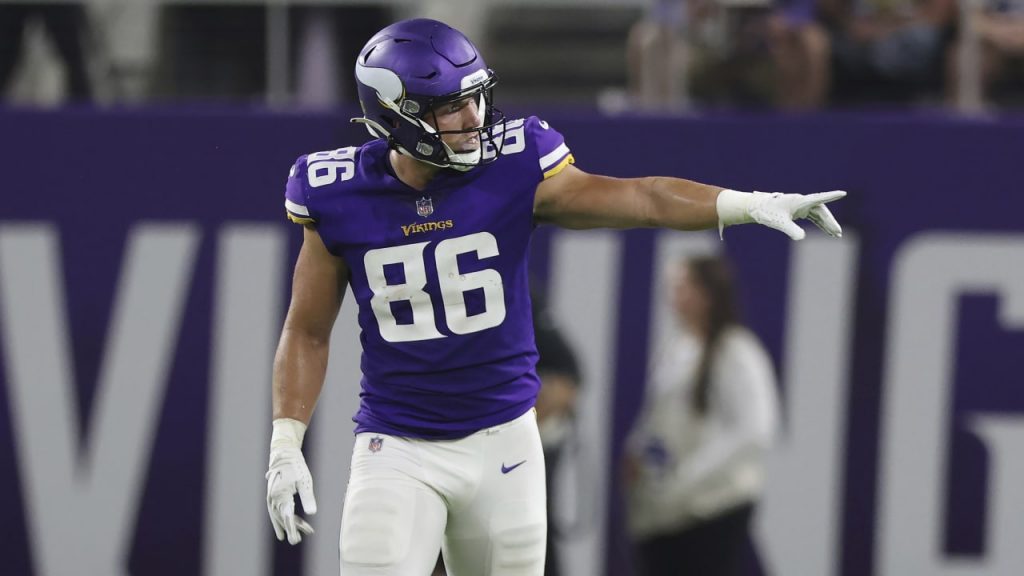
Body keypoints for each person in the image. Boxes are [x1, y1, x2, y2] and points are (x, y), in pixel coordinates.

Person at [264, 18, 844, 576]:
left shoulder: (514, 164)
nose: (474, 118)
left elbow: (641, 198)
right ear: (397, 116)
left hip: (503, 442)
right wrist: (286, 441)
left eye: (475, 98)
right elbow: (307, 330)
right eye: (450, 107)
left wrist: (744, 204)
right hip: (397, 446)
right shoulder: (335, 192)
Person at [624, 255, 780, 576]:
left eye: (685, 286)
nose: (675, 296)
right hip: (665, 513)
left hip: (713, 507)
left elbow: (755, 429)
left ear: (708, 293)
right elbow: (659, 418)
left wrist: (690, 475)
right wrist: (638, 452)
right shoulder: (676, 348)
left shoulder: (736, 351)